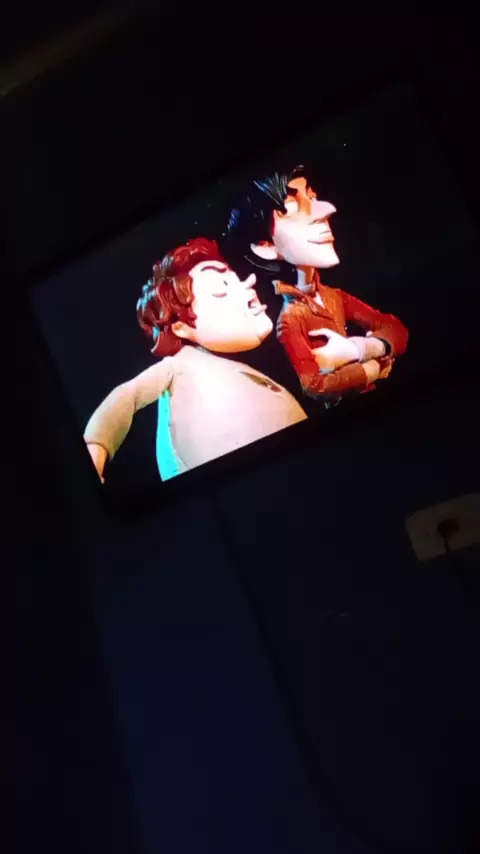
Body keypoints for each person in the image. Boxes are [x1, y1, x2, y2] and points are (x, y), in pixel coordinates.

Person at [84, 237, 307, 481]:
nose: (250, 282)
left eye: (235, 279)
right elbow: (129, 395)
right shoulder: (179, 366)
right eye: (221, 290)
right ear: (179, 327)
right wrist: (95, 447)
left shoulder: (232, 367)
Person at [227, 165, 408, 403]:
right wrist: (370, 370)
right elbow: (314, 385)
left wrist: (360, 349)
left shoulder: (334, 296)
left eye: (313, 199)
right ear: (266, 247)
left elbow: (395, 328)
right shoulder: (291, 318)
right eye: (293, 209)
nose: (325, 212)